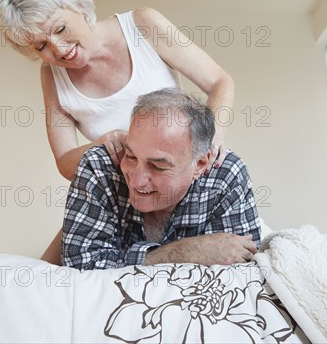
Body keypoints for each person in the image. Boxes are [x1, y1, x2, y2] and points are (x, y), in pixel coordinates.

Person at [0, 0, 235, 264]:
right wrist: (104, 143)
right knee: (46, 277)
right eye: (41, 45)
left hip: (176, 184)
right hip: (120, 198)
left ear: (79, 7)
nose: (58, 48)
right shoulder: (51, 77)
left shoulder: (143, 25)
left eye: (60, 29)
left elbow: (220, 82)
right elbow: (65, 162)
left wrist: (210, 139)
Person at [62, 88, 260, 270]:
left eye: (158, 166)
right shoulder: (99, 166)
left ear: (199, 165)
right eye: (130, 156)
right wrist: (188, 252)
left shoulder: (225, 175)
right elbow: (81, 268)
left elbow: (240, 275)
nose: (136, 181)